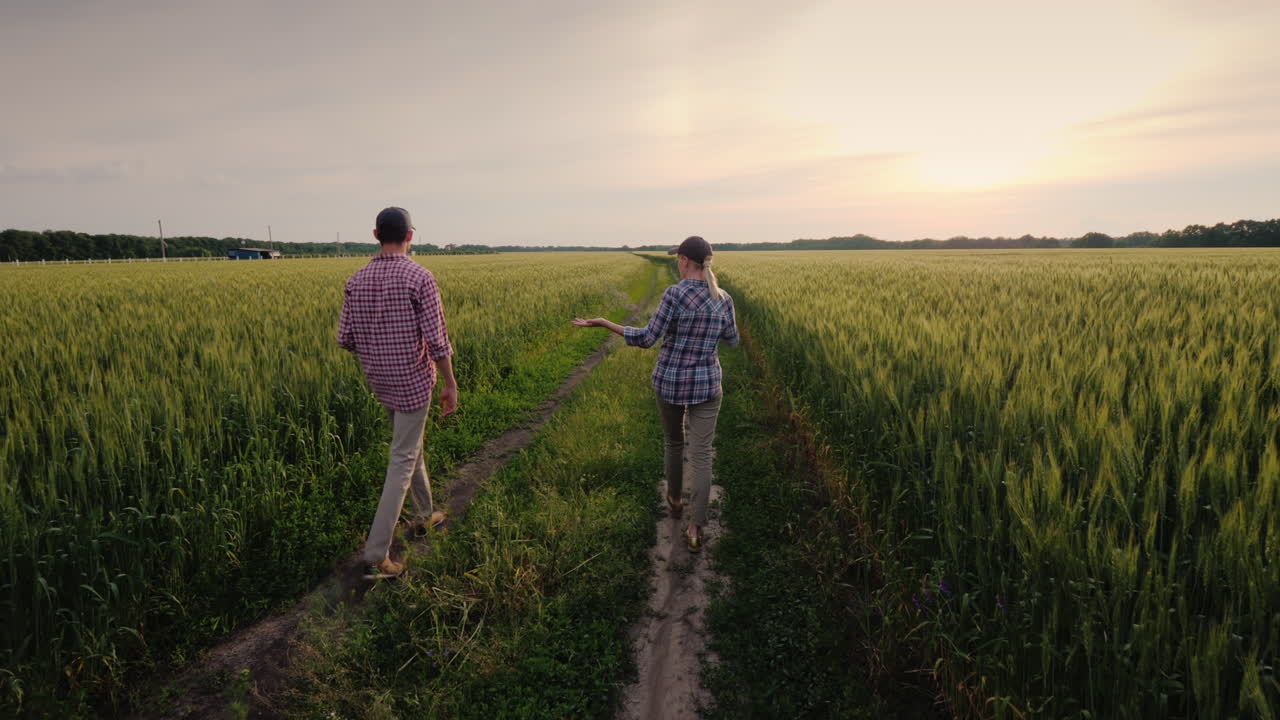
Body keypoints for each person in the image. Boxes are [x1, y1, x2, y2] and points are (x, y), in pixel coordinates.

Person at [573, 236, 738, 551]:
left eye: (678, 258)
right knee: (702, 454)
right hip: (707, 384)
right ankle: (694, 530)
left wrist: (606, 323)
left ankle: (675, 500)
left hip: (672, 382)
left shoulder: (674, 294)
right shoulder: (724, 297)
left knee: (674, 442)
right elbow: (730, 337)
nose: (677, 262)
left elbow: (648, 338)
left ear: (685, 261)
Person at [337, 206, 458, 579]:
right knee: (403, 458)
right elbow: (437, 342)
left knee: (410, 445)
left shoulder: (356, 280)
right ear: (410, 236)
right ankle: (376, 553)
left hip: (380, 381)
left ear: (375, 234)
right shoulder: (419, 277)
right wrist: (450, 384)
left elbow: (346, 339)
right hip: (413, 382)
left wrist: (379, 351)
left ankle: (426, 515)